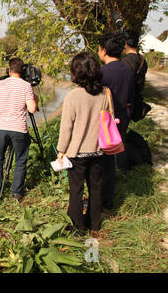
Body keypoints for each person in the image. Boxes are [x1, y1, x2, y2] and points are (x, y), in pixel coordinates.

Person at [57, 52, 106, 233]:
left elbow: (66, 127)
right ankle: (95, 225)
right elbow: (110, 120)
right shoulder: (104, 94)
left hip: (76, 152)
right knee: (96, 188)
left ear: (76, 72)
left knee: (76, 190)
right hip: (98, 149)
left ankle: (77, 228)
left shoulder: (73, 96)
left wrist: (61, 150)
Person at [0, 57, 38, 203]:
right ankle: (16, 193)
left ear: (9, 70)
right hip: (18, 128)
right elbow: (32, 109)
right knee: (20, 161)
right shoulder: (26, 86)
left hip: (1, 128)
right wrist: (35, 99)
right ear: (23, 71)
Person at [97, 32, 134, 209]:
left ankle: (102, 200)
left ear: (103, 50)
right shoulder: (127, 69)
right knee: (113, 159)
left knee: (102, 161)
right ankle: (109, 198)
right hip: (122, 118)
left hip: (104, 121)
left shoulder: (102, 72)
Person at [121, 29, 149, 122]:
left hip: (127, 103)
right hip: (136, 99)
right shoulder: (142, 59)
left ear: (126, 43)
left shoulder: (127, 62)